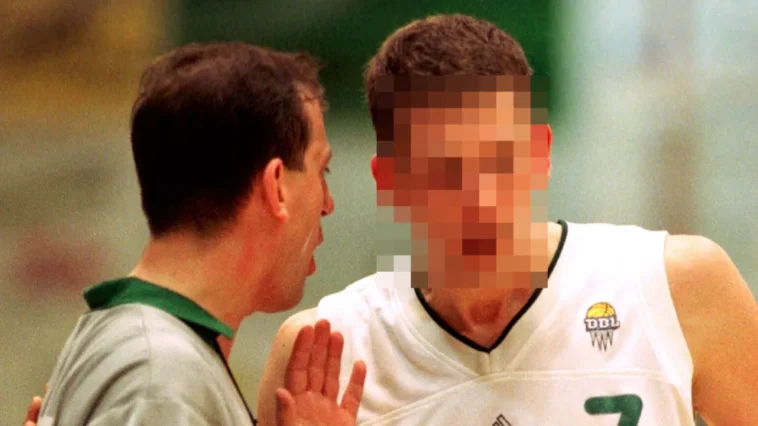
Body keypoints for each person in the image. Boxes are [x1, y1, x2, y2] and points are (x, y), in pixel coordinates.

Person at [257, 14, 758, 425]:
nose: (480, 199)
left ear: (541, 154)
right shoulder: (323, 358)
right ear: (390, 182)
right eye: (445, 169)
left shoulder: (678, 287)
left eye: (500, 160)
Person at [27, 42, 366, 426]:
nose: (327, 204)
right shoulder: (162, 381)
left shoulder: (131, 346)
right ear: (276, 186)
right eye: (322, 171)